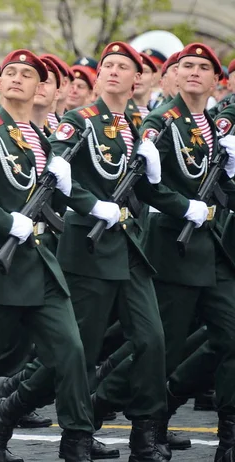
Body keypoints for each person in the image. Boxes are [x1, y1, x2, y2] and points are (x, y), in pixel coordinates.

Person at [0, 48, 95, 462]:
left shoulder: (39, 138)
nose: (18, 79)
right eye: (10, 73)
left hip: (39, 259)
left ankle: (76, 438)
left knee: (71, 349)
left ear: (42, 88)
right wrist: (6, 222)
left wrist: (66, 190)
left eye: (27, 75)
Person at [51, 42, 168, 461]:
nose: (114, 71)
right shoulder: (78, 120)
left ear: (138, 78)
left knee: (153, 339)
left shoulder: (138, 122)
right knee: (81, 347)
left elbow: (147, 189)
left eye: (124, 66)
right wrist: (89, 203)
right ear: (98, 76)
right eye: (108, 66)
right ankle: (76, 437)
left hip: (130, 246)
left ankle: (146, 433)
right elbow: (57, 169)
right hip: (90, 243)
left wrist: (156, 178)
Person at [139, 42, 235, 461]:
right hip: (172, 248)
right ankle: (149, 431)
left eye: (203, 67)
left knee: (232, 335)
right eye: (187, 65)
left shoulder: (214, 126)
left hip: (211, 248)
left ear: (218, 80)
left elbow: (220, 190)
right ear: (176, 75)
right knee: (166, 345)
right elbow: (144, 185)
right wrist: (182, 206)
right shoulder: (161, 122)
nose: (194, 72)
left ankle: (230, 435)